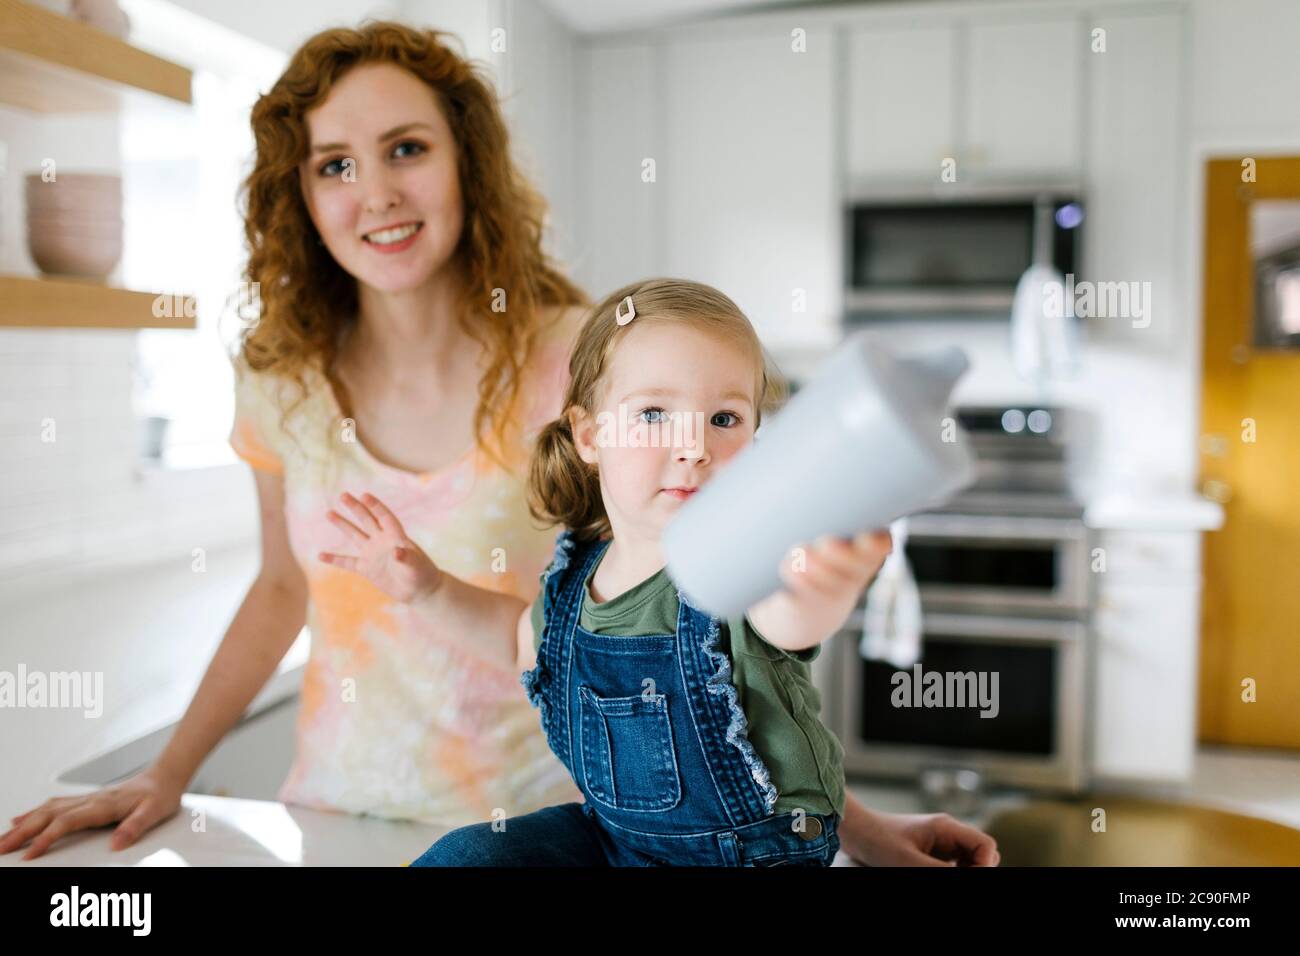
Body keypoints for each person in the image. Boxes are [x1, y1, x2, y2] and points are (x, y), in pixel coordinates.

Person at [1, 21, 589, 860]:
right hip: (335, 820)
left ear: (469, 164)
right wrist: (168, 772)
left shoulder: (577, 359)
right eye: (335, 165)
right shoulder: (281, 377)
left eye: (408, 149)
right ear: (303, 198)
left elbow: (636, 601)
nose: (377, 192)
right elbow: (282, 586)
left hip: (538, 828)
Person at [320, 278, 1000, 866]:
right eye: (654, 413)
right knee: (472, 855)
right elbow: (514, 641)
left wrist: (824, 582)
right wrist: (430, 589)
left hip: (754, 855)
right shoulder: (574, 578)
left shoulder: (748, 563)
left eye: (725, 418)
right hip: (617, 841)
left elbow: (789, 621)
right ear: (590, 436)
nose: (694, 446)